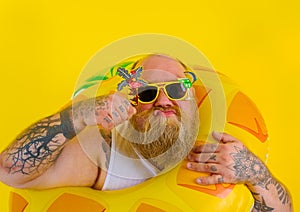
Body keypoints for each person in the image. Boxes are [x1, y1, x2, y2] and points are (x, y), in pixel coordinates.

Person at [0, 54, 292, 211]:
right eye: (149, 91)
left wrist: (257, 174)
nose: (163, 101)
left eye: (176, 90)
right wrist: (80, 114)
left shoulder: (219, 150)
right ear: (130, 102)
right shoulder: (103, 151)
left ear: (195, 102)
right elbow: (10, 170)